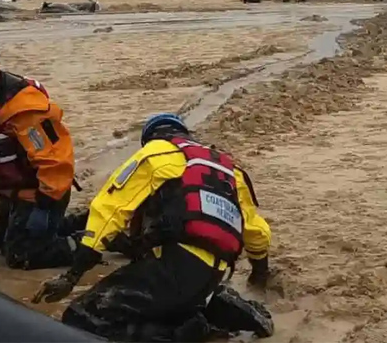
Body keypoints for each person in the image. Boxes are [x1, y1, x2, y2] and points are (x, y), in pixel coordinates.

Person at [33, 113, 274, 342]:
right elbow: (258, 232)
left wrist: (72, 275)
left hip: (174, 264)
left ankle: (194, 329)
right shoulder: (230, 170)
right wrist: (259, 274)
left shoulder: (154, 153)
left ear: (149, 139)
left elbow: (109, 208)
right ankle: (210, 304)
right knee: (162, 303)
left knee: (83, 318)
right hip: (214, 271)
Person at [0, 45, 86, 270]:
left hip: (41, 191)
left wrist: (45, 203)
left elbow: (54, 160)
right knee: (1, 246)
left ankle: (92, 242)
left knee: (22, 256)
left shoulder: (25, 110)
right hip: (10, 189)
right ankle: (75, 224)